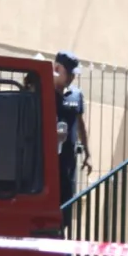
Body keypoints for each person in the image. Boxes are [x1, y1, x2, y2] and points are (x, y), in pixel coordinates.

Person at [52, 52, 90, 223]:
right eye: (69, 73)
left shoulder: (76, 95)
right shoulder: (44, 91)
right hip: (47, 163)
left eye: (74, 74)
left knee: (65, 213)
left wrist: (87, 152)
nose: (72, 77)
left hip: (68, 163)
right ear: (57, 68)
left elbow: (80, 124)